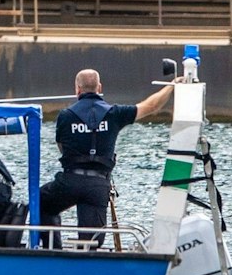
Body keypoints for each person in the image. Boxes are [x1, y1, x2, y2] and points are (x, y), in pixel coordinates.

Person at [41, 68, 174, 246]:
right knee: (91, 242)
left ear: (77, 89)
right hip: (98, 186)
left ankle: (52, 250)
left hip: (69, 181)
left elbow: (62, 148)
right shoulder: (114, 113)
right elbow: (152, 107)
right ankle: (87, 260)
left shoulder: (65, 116)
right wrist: (171, 86)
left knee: (39, 201)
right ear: (99, 87)